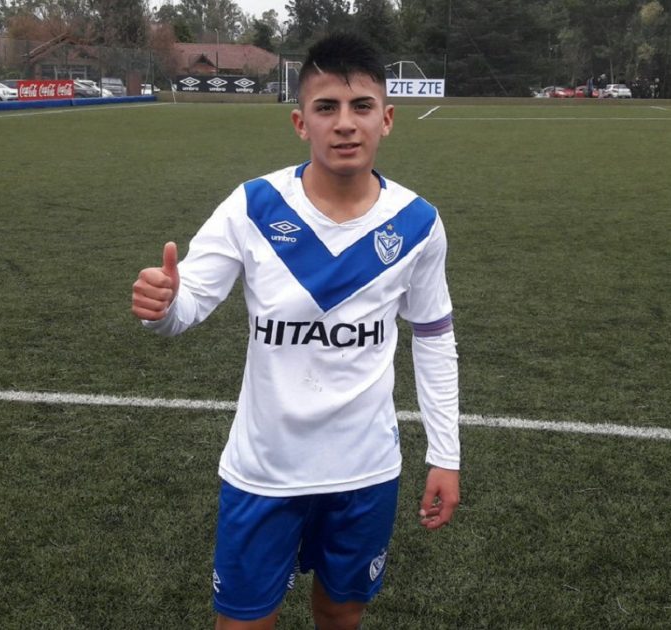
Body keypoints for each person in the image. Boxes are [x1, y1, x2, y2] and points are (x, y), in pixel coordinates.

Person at [131, 32, 461, 630]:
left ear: (386, 119)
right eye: (326, 107)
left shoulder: (417, 223)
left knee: (340, 615)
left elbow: (433, 337)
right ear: (300, 122)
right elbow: (186, 307)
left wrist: (445, 453)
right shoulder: (252, 206)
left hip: (365, 471)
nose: (345, 123)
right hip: (264, 470)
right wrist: (164, 305)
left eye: (361, 107)